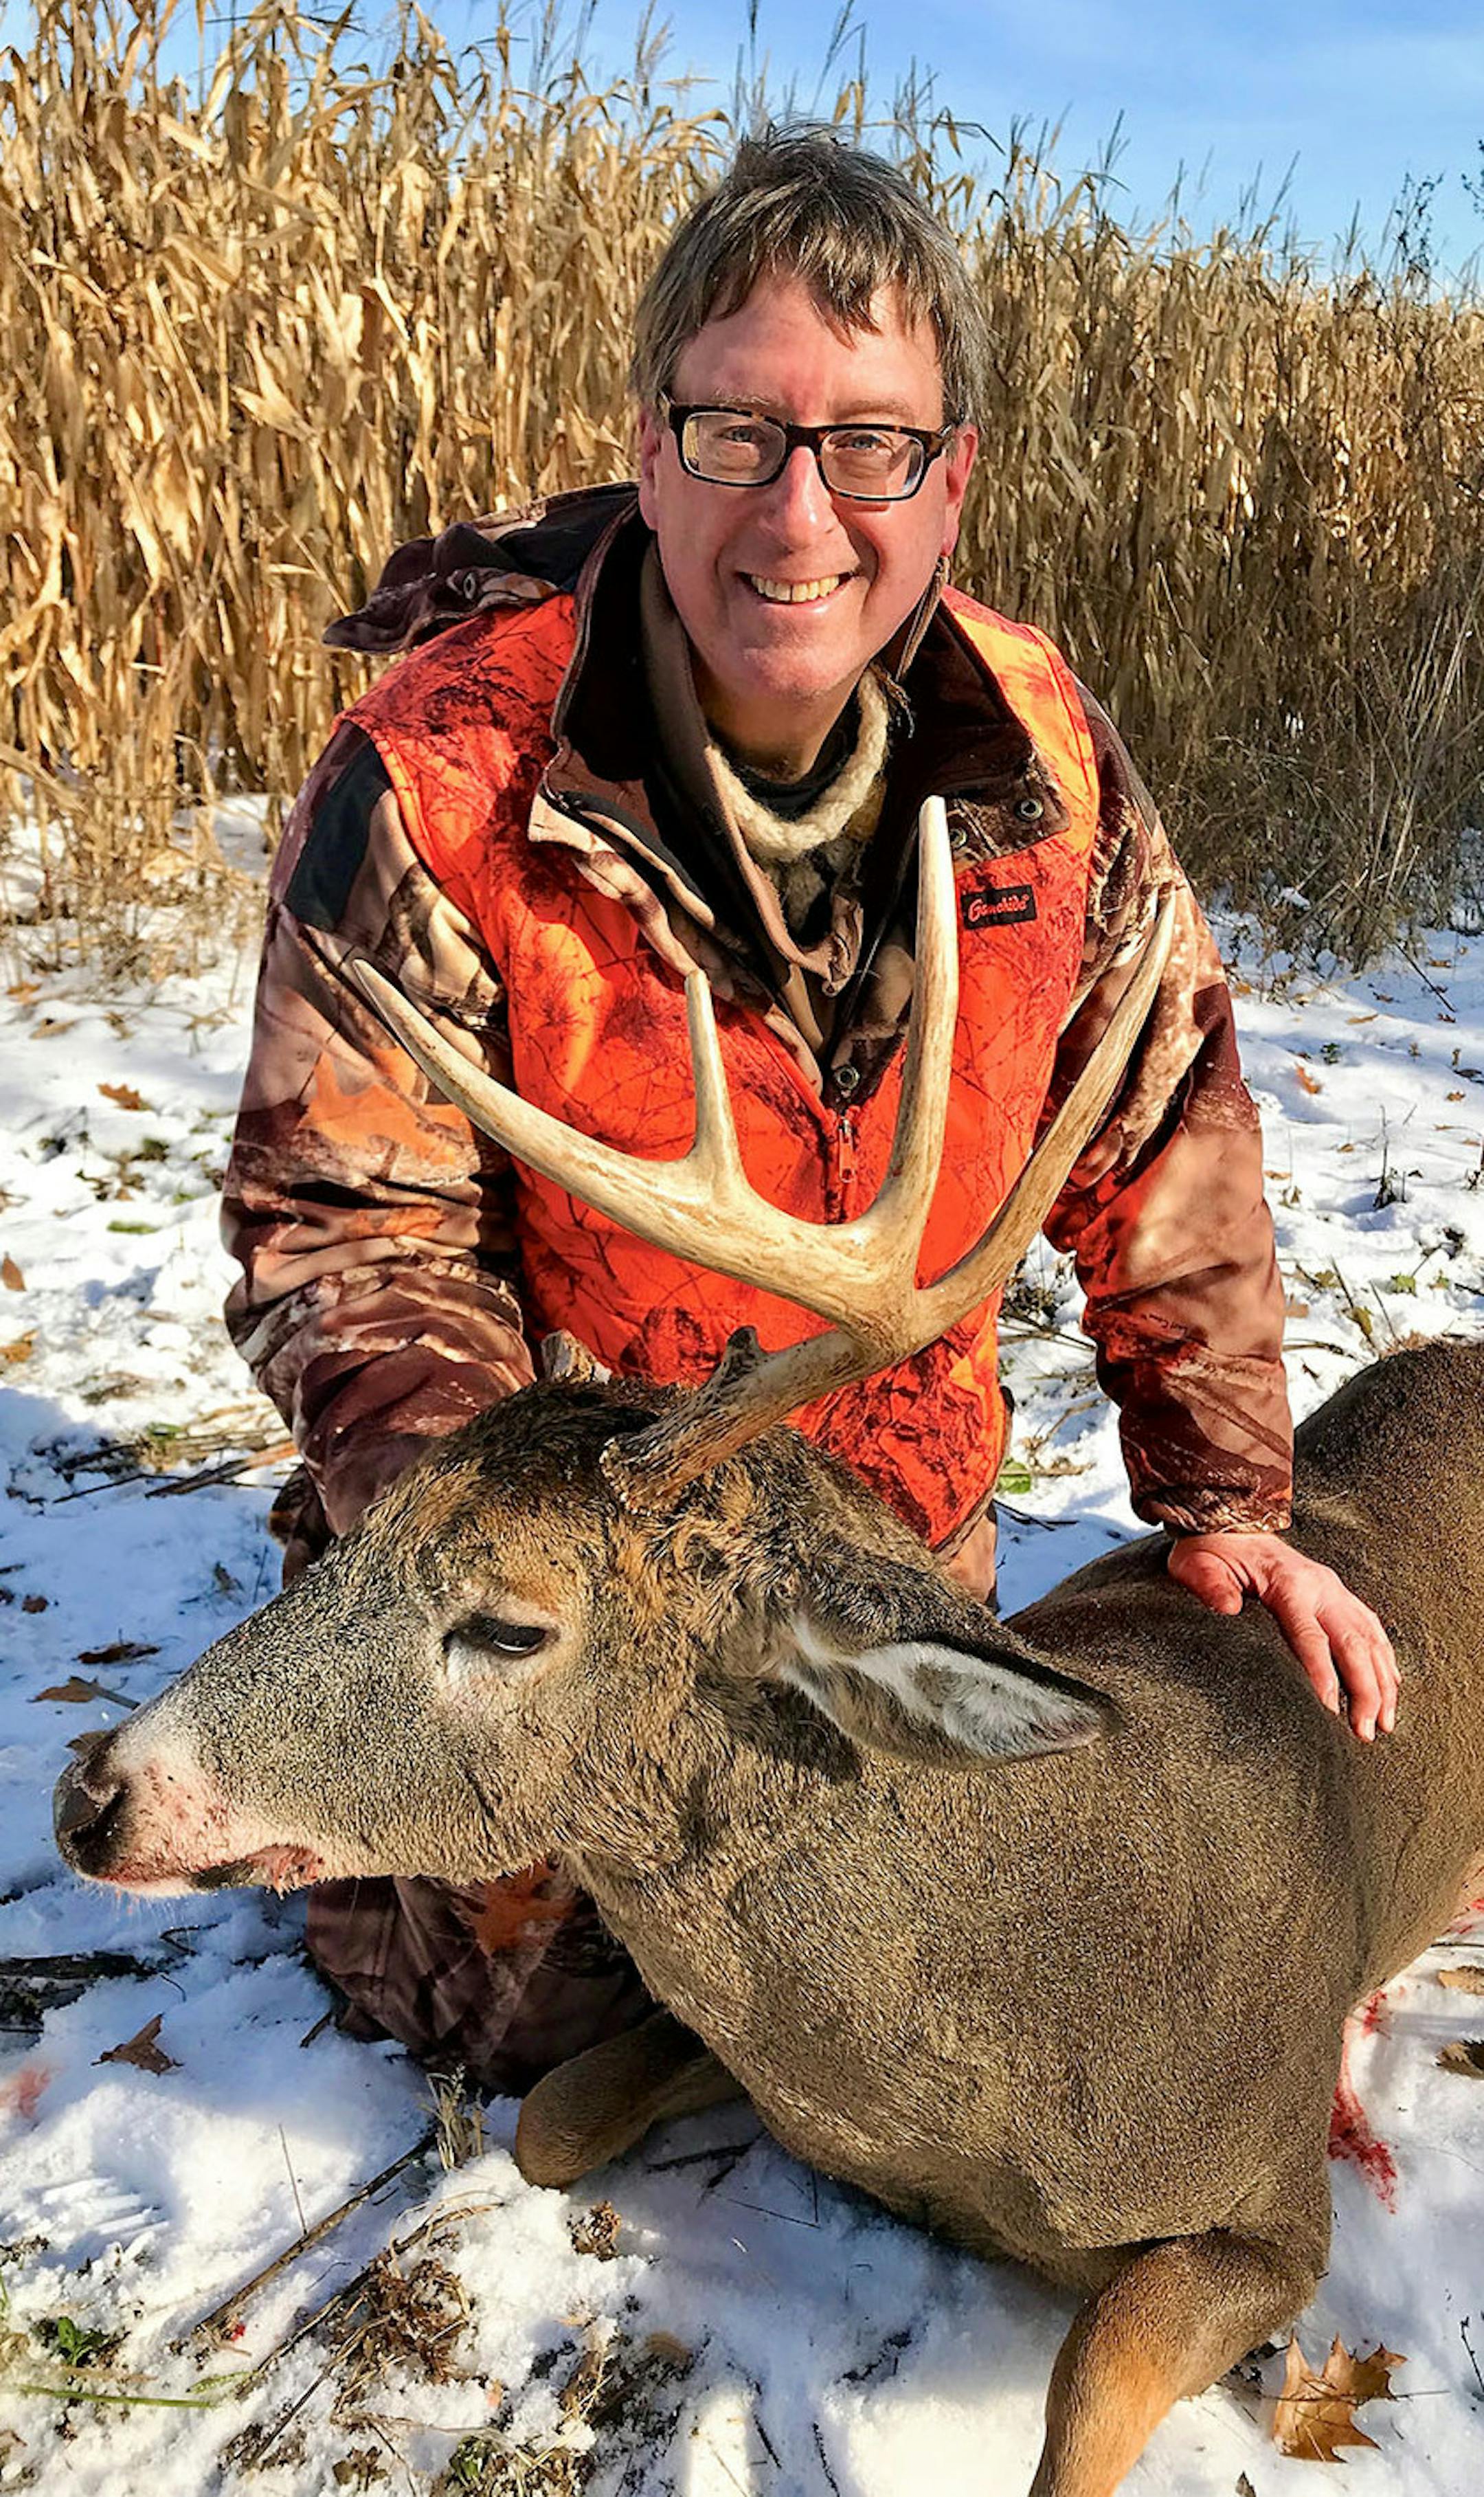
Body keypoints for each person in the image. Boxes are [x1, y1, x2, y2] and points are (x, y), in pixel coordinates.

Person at [221, 127, 1397, 2096]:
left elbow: (1163, 1125)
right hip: (565, 1551)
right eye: (741, 434)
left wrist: (1229, 1502)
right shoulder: (442, 776)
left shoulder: (1041, 762)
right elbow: (347, 1227)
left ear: (952, 483)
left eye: (872, 445)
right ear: (654, 445)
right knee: (532, 2009)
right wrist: (482, 1543)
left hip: (884, 1559)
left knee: (961, 1959)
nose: (801, 519)